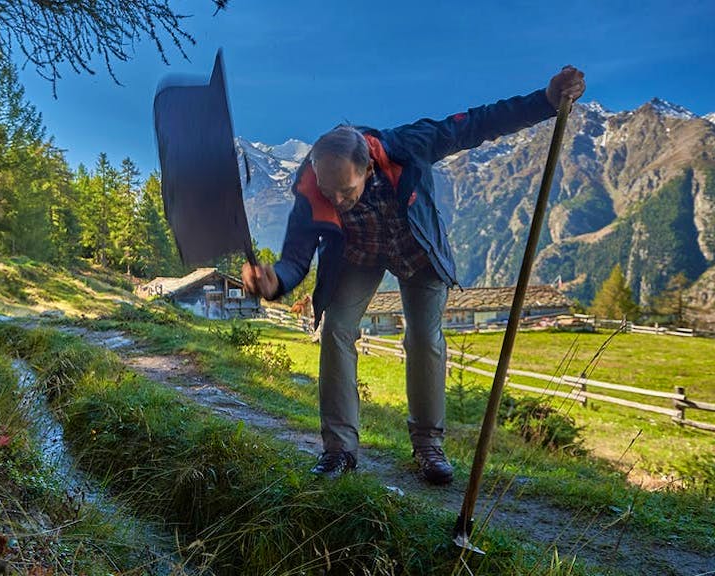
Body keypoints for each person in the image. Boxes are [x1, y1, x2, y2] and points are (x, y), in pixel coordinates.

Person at [242, 66, 586, 484]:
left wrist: (546, 101)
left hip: (417, 251)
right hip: (357, 255)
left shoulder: (409, 143)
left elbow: (477, 123)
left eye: (346, 192)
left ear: (368, 166)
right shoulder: (311, 187)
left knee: (424, 337)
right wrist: (274, 281)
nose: (337, 200)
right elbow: (296, 256)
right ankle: (339, 452)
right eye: (329, 192)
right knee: (335, 329)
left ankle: (428, 445)